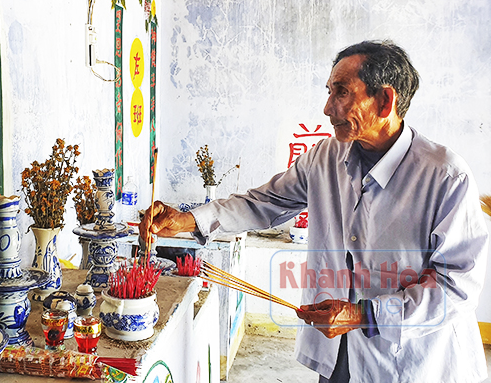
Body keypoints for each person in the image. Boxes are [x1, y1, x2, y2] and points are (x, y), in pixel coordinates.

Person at [139, 41, 489, 382]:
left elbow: (455, 285)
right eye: (329, 91)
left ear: (385, 101)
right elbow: (266, 202)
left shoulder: (444, 176)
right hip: (338, 352)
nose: (327, 108)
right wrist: (189, 220)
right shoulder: (327, 156)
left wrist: (365, 314)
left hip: (413, 360)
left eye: (341, 93)